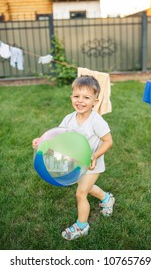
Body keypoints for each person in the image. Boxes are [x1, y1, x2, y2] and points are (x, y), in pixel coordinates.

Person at [32, 75, 115, 240]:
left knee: (81, 193)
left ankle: (82, 226)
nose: (80, 101)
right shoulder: (69, 118)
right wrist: (41, 141)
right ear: (71, 97)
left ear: (95, 101)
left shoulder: (96, 121)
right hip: (76, 164)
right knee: (88, 188)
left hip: (91, 164)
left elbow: (108, 141)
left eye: (86, 97)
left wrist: (95, 155)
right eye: (76, 96)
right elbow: (58, 135)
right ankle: (107, 198)